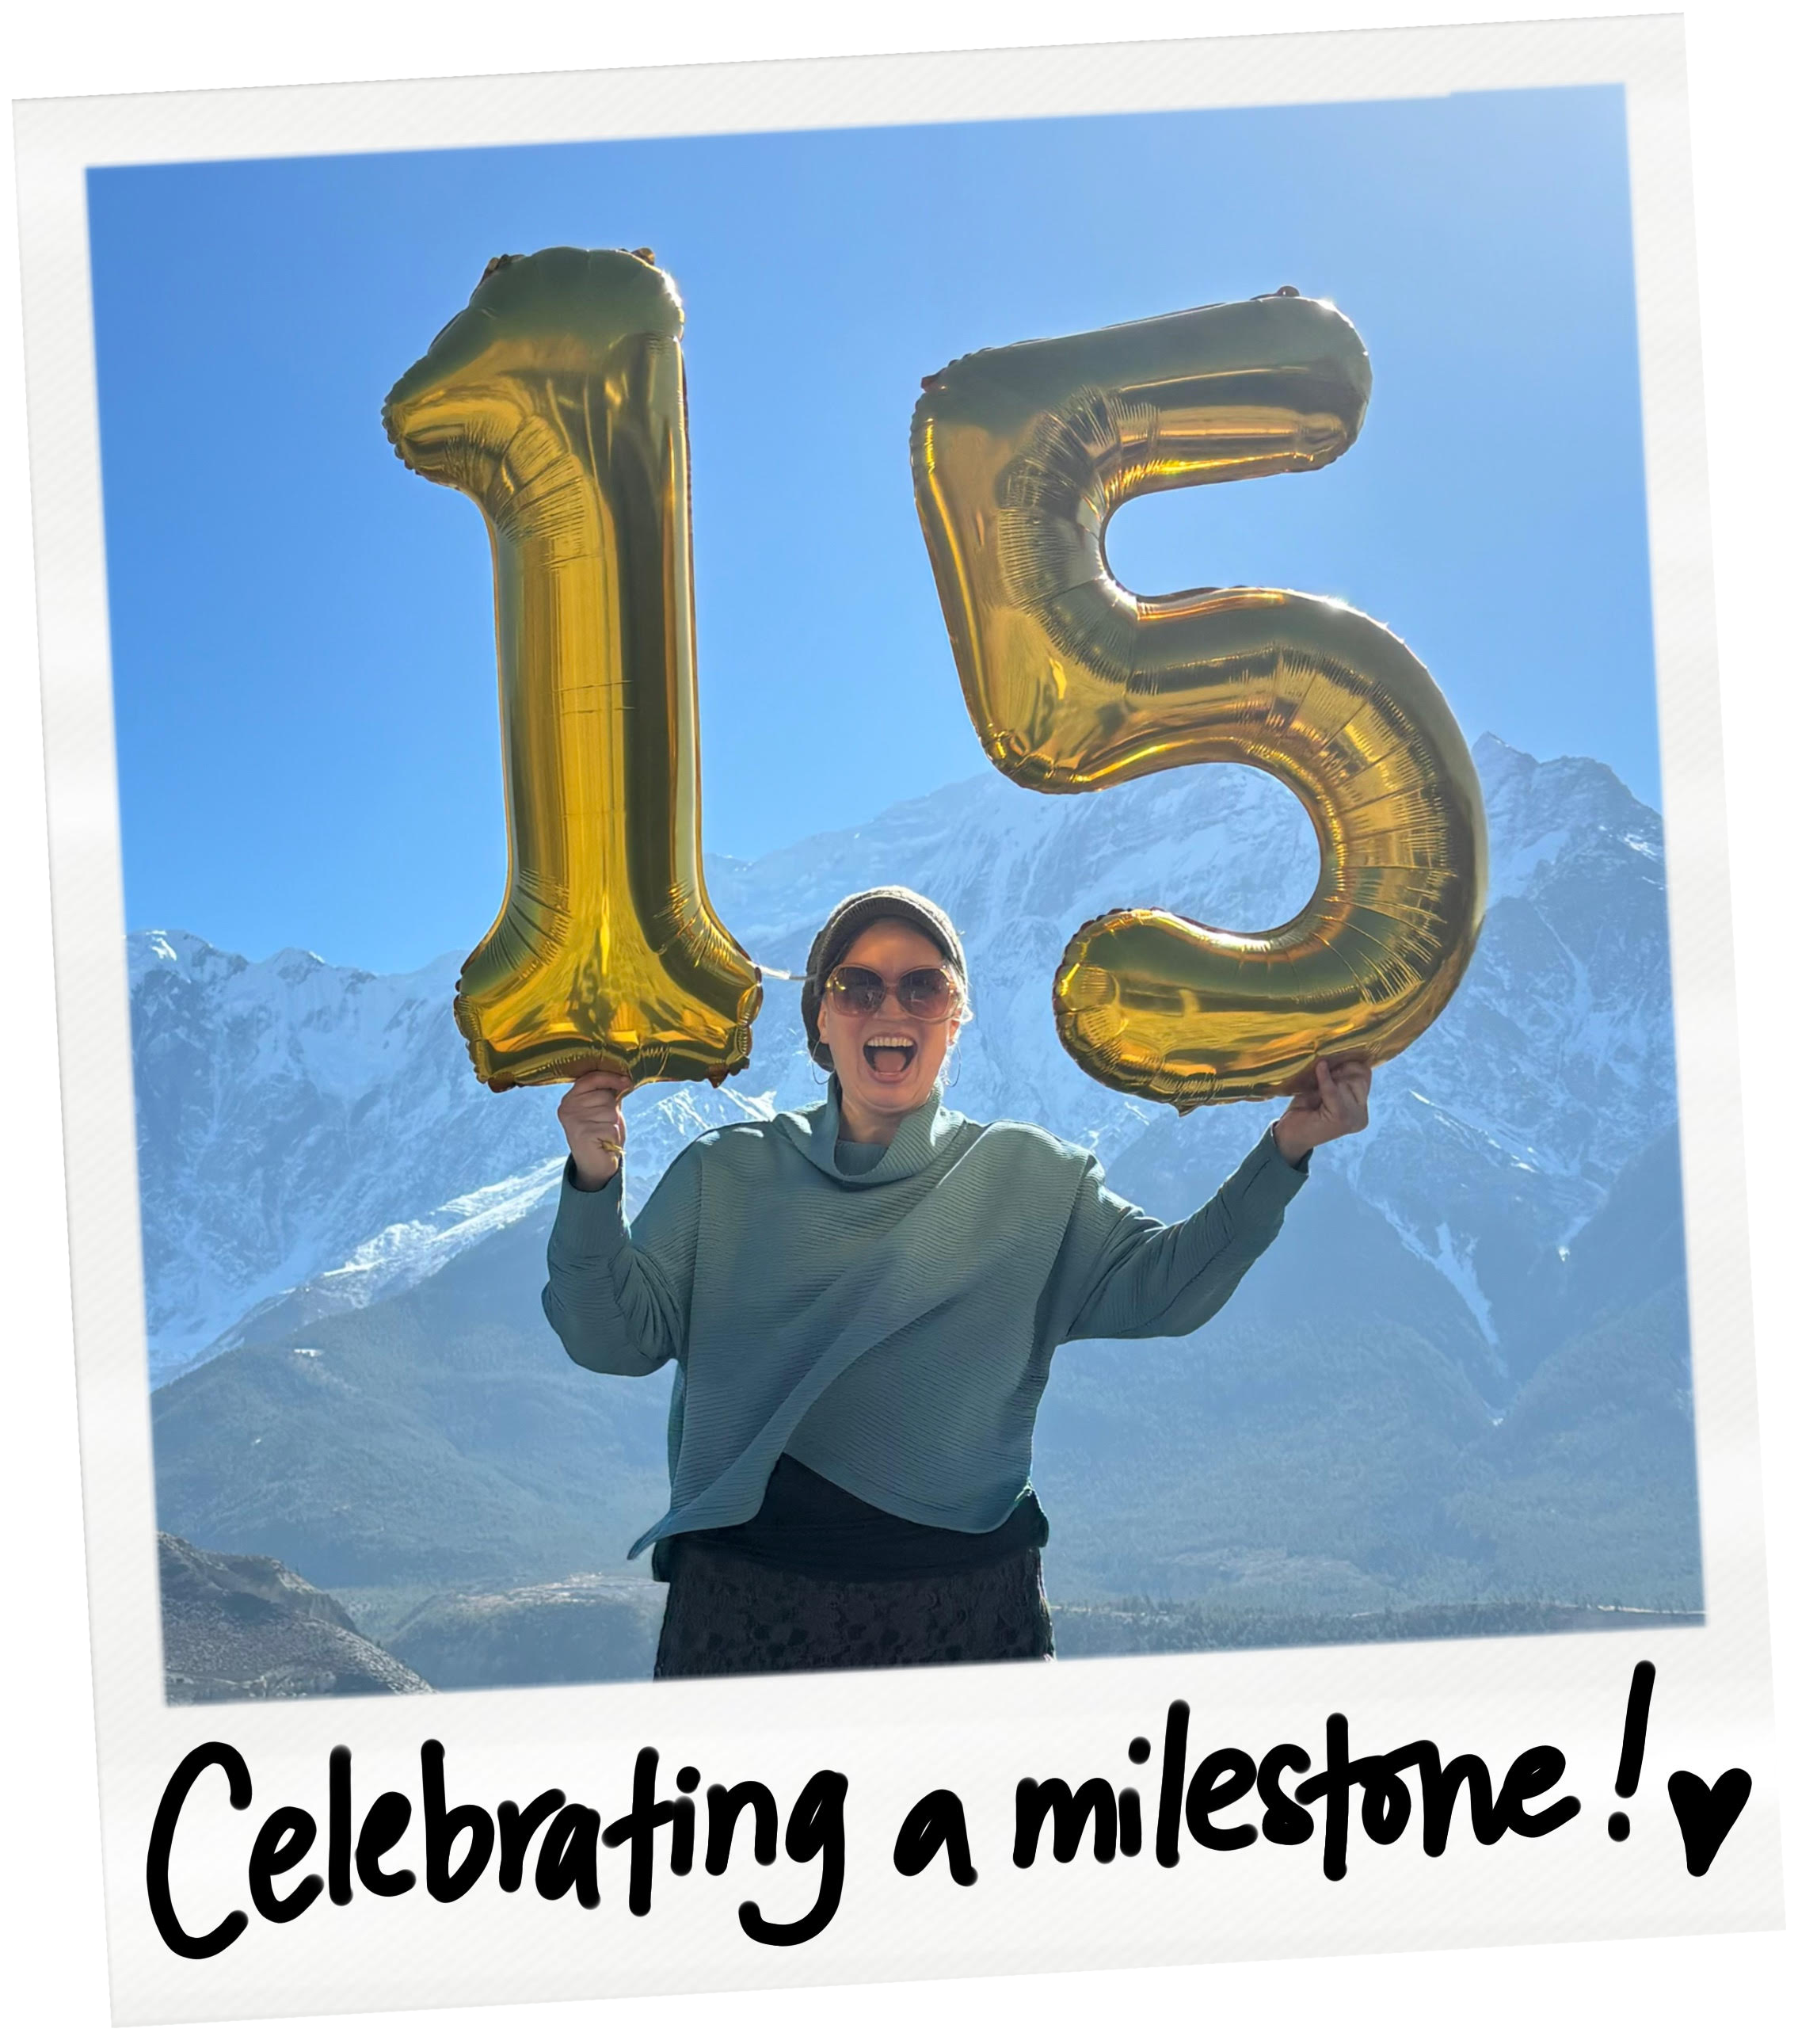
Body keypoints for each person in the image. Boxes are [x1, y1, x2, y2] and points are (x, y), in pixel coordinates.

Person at [543, 885, 1371, 1679]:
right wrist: (591, 1180)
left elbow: (1168, 1287)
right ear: (819, 1024)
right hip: (744, 1607)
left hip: (967, 1610)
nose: (890, 1008)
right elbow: (610, 1339)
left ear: (956, 1018)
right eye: (855, 986)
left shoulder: (1028, 1178)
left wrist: (1288, 1147)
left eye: (922, 986)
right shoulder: (721, 1176)